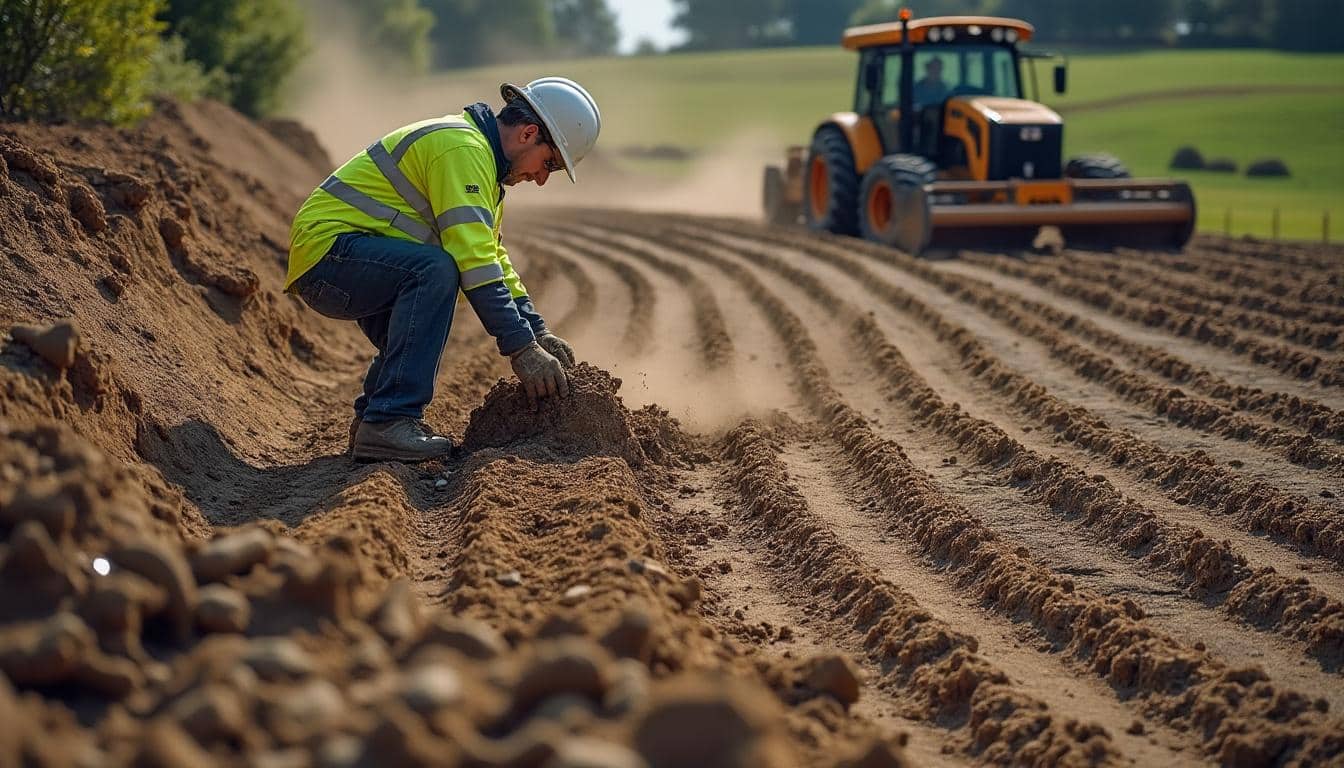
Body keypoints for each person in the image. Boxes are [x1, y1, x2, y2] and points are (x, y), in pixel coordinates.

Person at [286, 77, 601, 462]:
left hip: (344, 258)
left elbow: (492, 257)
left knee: (416, 313)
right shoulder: (463, 151)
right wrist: (521, 349)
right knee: (435, 271)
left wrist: (538, 332)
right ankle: (390, 421)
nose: (539, 179)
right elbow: (473, 261)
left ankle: (374, 420)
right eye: (548, 164)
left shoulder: (482, 166)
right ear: (529, 133)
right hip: (330, 257)